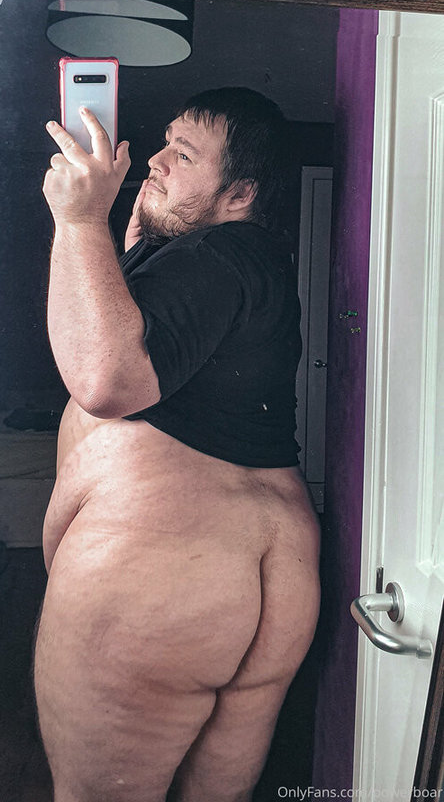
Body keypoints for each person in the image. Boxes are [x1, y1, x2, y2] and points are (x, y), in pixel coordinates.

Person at [35, 87, 321, 802]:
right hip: (269, 568)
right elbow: (144, 332)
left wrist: (77, 219)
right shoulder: (247, 262)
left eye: (184, 155)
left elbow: (106, 381)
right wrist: (130, 247)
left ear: (241, 194)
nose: (155, 161)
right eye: (164, 144)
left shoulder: (217, 254)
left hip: (163, 578)